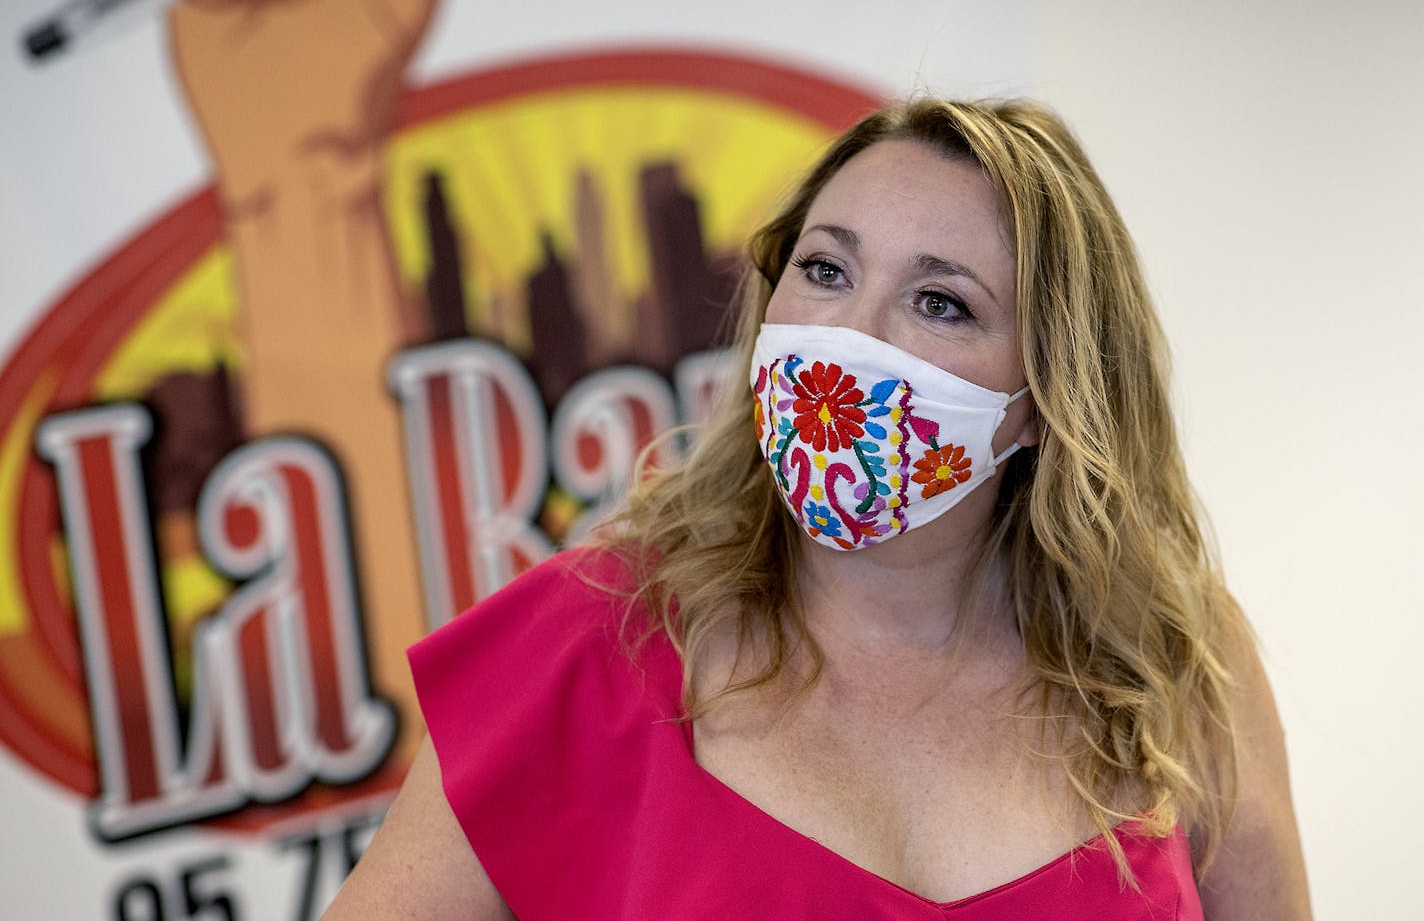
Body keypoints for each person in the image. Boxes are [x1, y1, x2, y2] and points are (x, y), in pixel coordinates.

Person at [323, 98, 1312, 919]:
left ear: (1045, 402)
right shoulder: (589, 637)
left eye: (939, 302)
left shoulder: (1174, 659)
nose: (847, 338)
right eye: (825, 270)